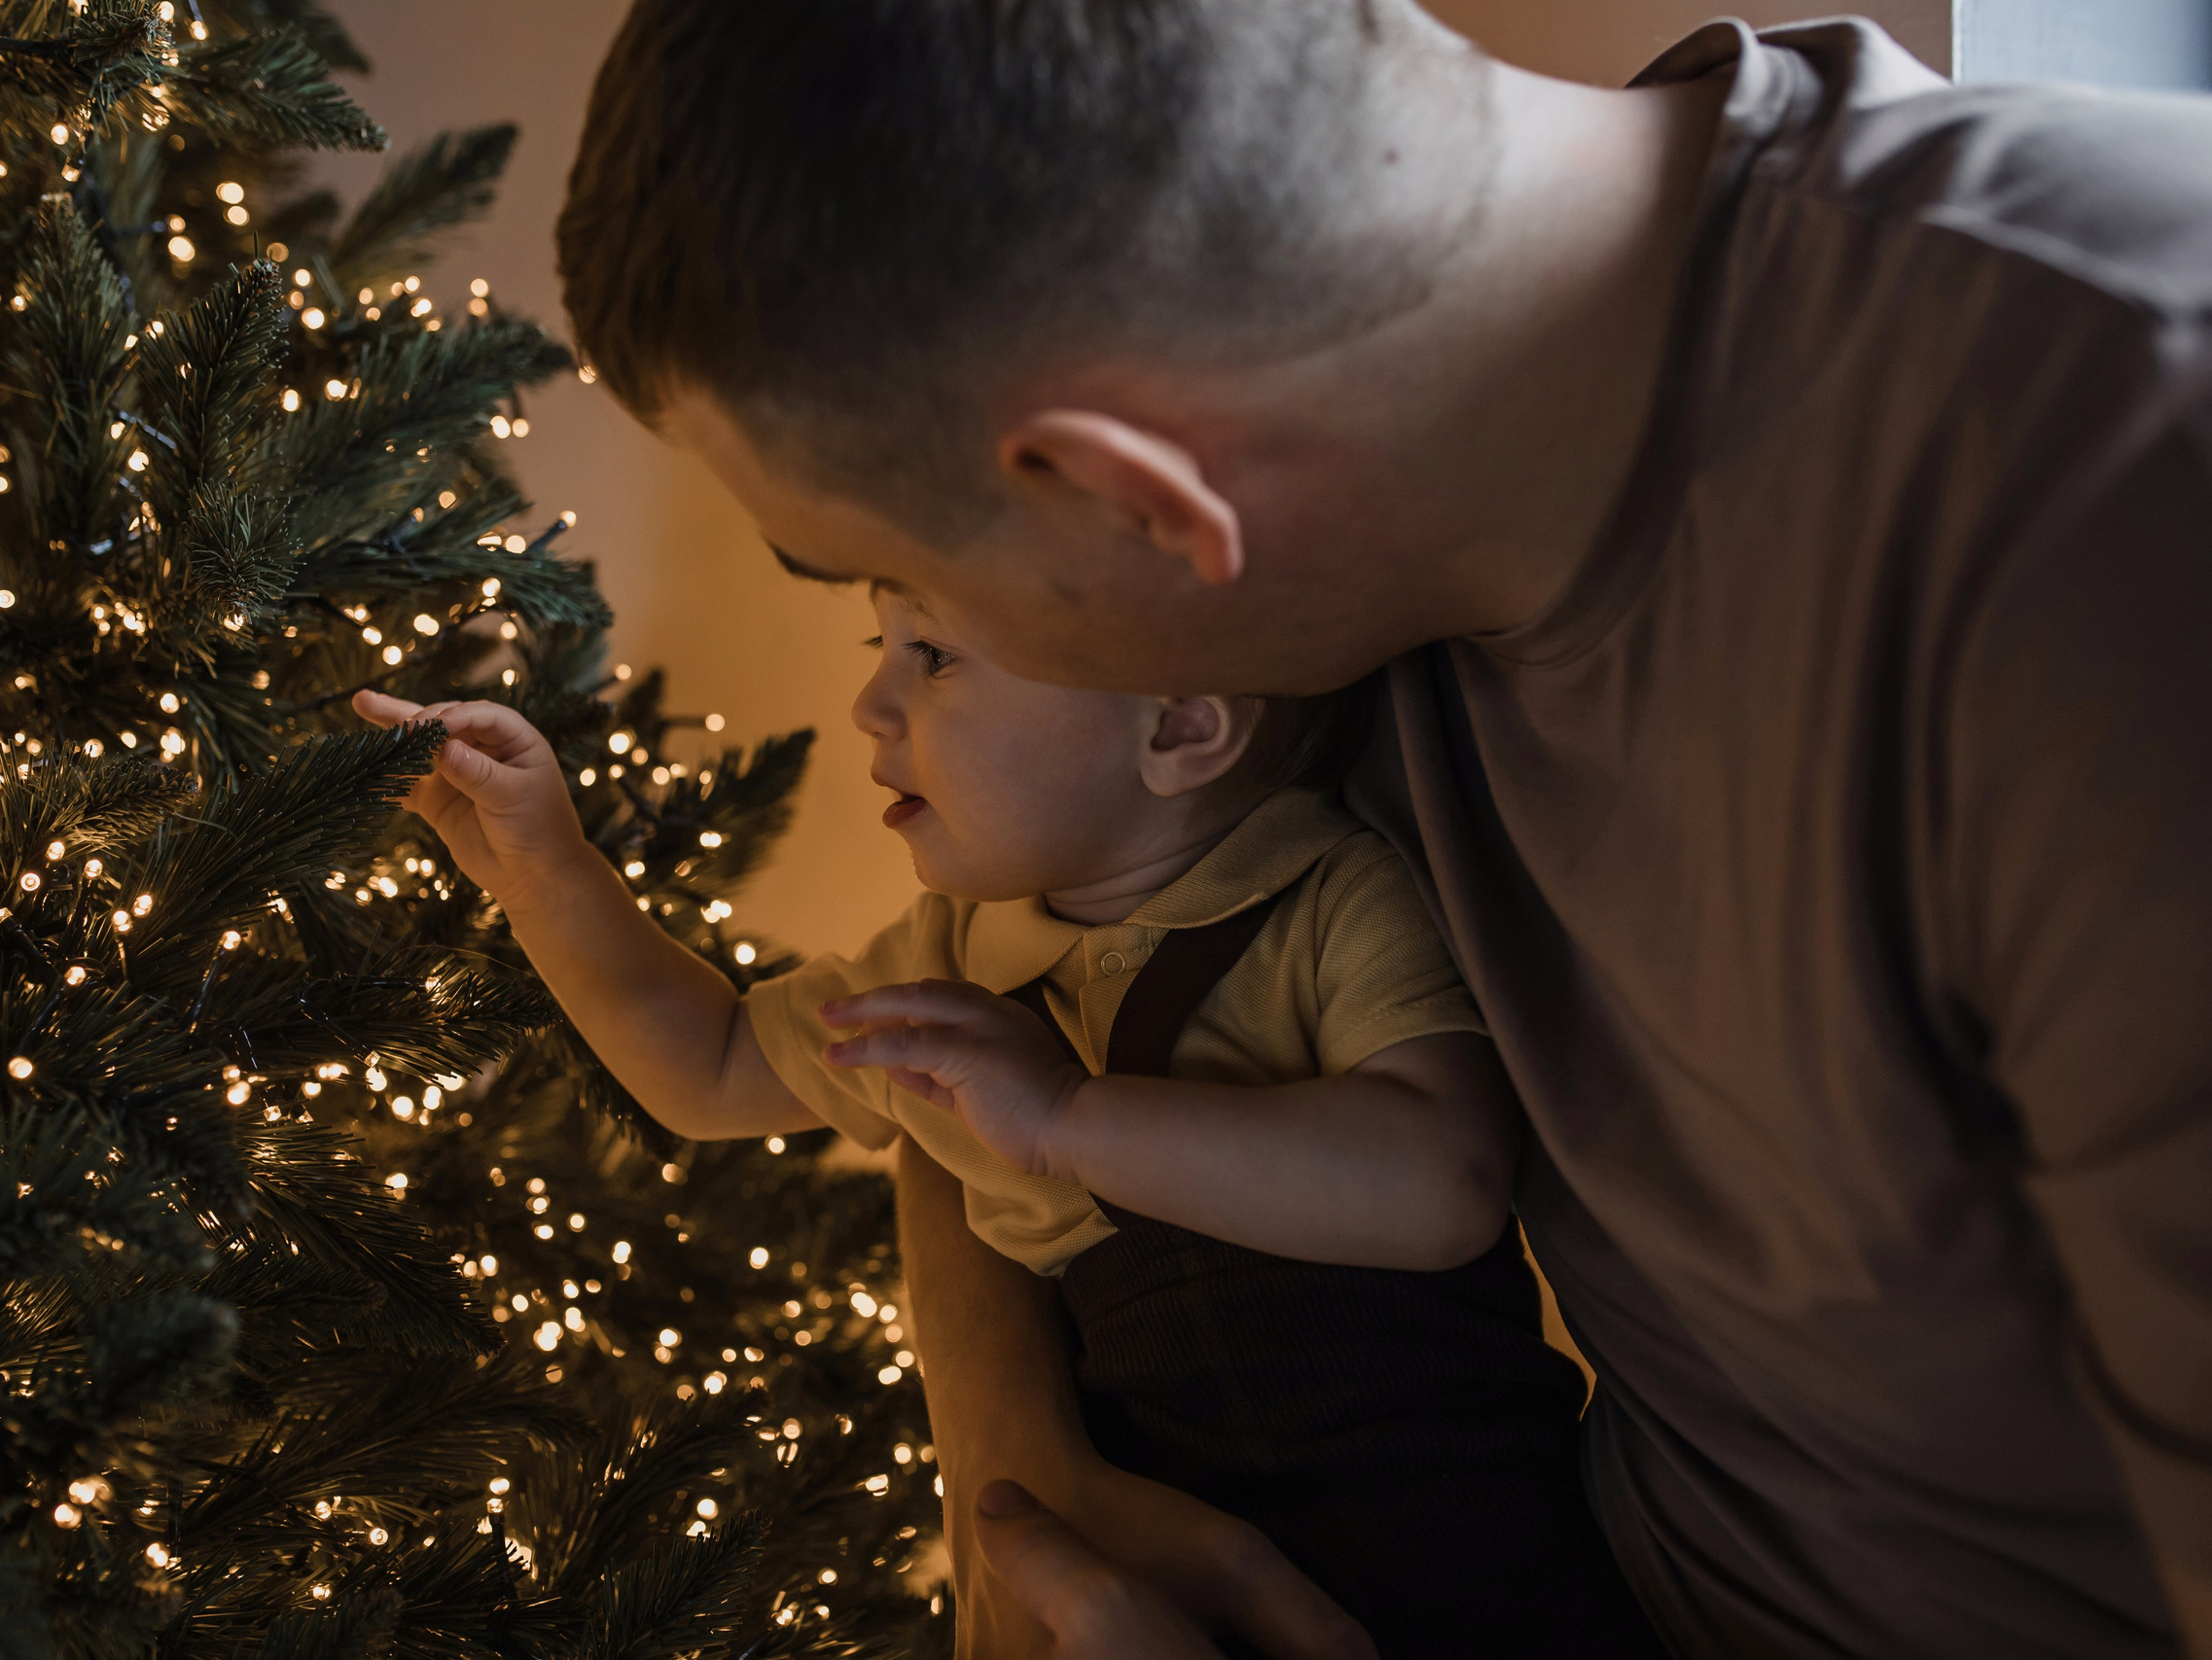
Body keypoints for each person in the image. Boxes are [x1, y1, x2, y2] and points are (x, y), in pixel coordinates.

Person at [552, 2, 2212, 1657]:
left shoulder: (2112, 512)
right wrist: (1019, 1462)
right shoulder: (1365, 508)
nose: (891, 682)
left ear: (1140, 503)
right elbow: (1012, 998)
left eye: (905, 598)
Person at [351, 573, 1662, 1657]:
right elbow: (704, 1066)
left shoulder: (1326, 894)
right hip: (1173, 1569)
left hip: (1464, 1555)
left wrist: (1067, 1121)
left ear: (1181, 727)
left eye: (935, 656)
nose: (870, 704)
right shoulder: (941, 962)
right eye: (886, 645)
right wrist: (547, 874)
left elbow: (1441, 1182)